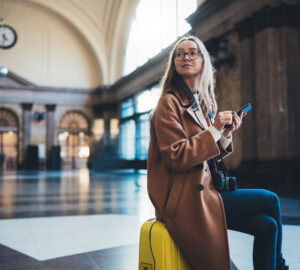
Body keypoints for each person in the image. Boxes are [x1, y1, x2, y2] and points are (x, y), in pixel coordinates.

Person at [147, 35, 288, 270]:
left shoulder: (199, 104)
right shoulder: (168, 103)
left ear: (203, 60)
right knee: (270, 200)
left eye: (193, 52)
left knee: (267, 226)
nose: (185, 57)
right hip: (185, 198)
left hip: (205, 190)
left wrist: (225, 135)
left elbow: (203, 157)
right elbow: (177, 157)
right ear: (173, 63)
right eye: (179, 54)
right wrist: (212, 129)